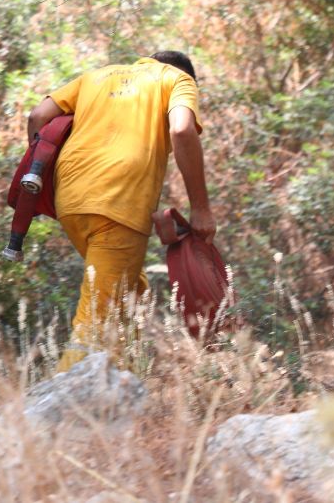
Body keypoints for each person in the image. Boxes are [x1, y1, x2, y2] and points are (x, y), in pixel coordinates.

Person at [26, 51, 216, 372]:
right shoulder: (177, 79)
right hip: (118, 201)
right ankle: (56, 407)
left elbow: (37, 116)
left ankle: (125, 384)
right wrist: (201, 209)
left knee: (130, 293)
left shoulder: (95, 77)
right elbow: (182, 131)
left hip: (70, 197)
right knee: (96, 318)